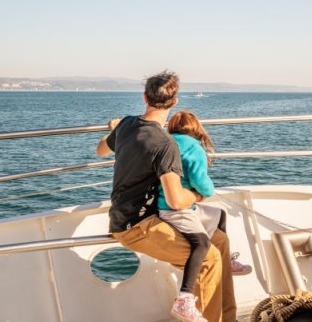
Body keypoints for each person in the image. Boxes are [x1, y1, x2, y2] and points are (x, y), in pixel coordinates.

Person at [96, 71, 236, 322]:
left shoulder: (127, 124)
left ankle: (228, 318)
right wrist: (196, 196)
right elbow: (175, 200)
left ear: (144, 97)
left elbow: (101, 149)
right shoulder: (165, 144)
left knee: (220, 240)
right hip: (139, 226)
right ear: (174, 102)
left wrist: (115, 129)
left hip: (127, 216)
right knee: (209, 257)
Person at [158, 110, 252, 312]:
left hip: (163, 205)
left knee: (219, 214)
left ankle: (229, 260)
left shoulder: (165, 142)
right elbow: (200, 181)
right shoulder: (193, 148)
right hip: (176, 209)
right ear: (196, 129)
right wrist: (206, 191)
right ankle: (185, 296)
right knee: (201, 243)